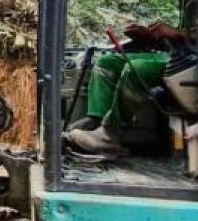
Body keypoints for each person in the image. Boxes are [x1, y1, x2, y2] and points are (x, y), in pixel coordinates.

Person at [65, 21, 187, 155]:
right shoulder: (191, 10)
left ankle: (110, 135)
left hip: (192, 60)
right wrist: (149, 36)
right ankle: (96, 121)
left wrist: (179, 33)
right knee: (106, 62)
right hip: (173, 53)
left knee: (136, 67)